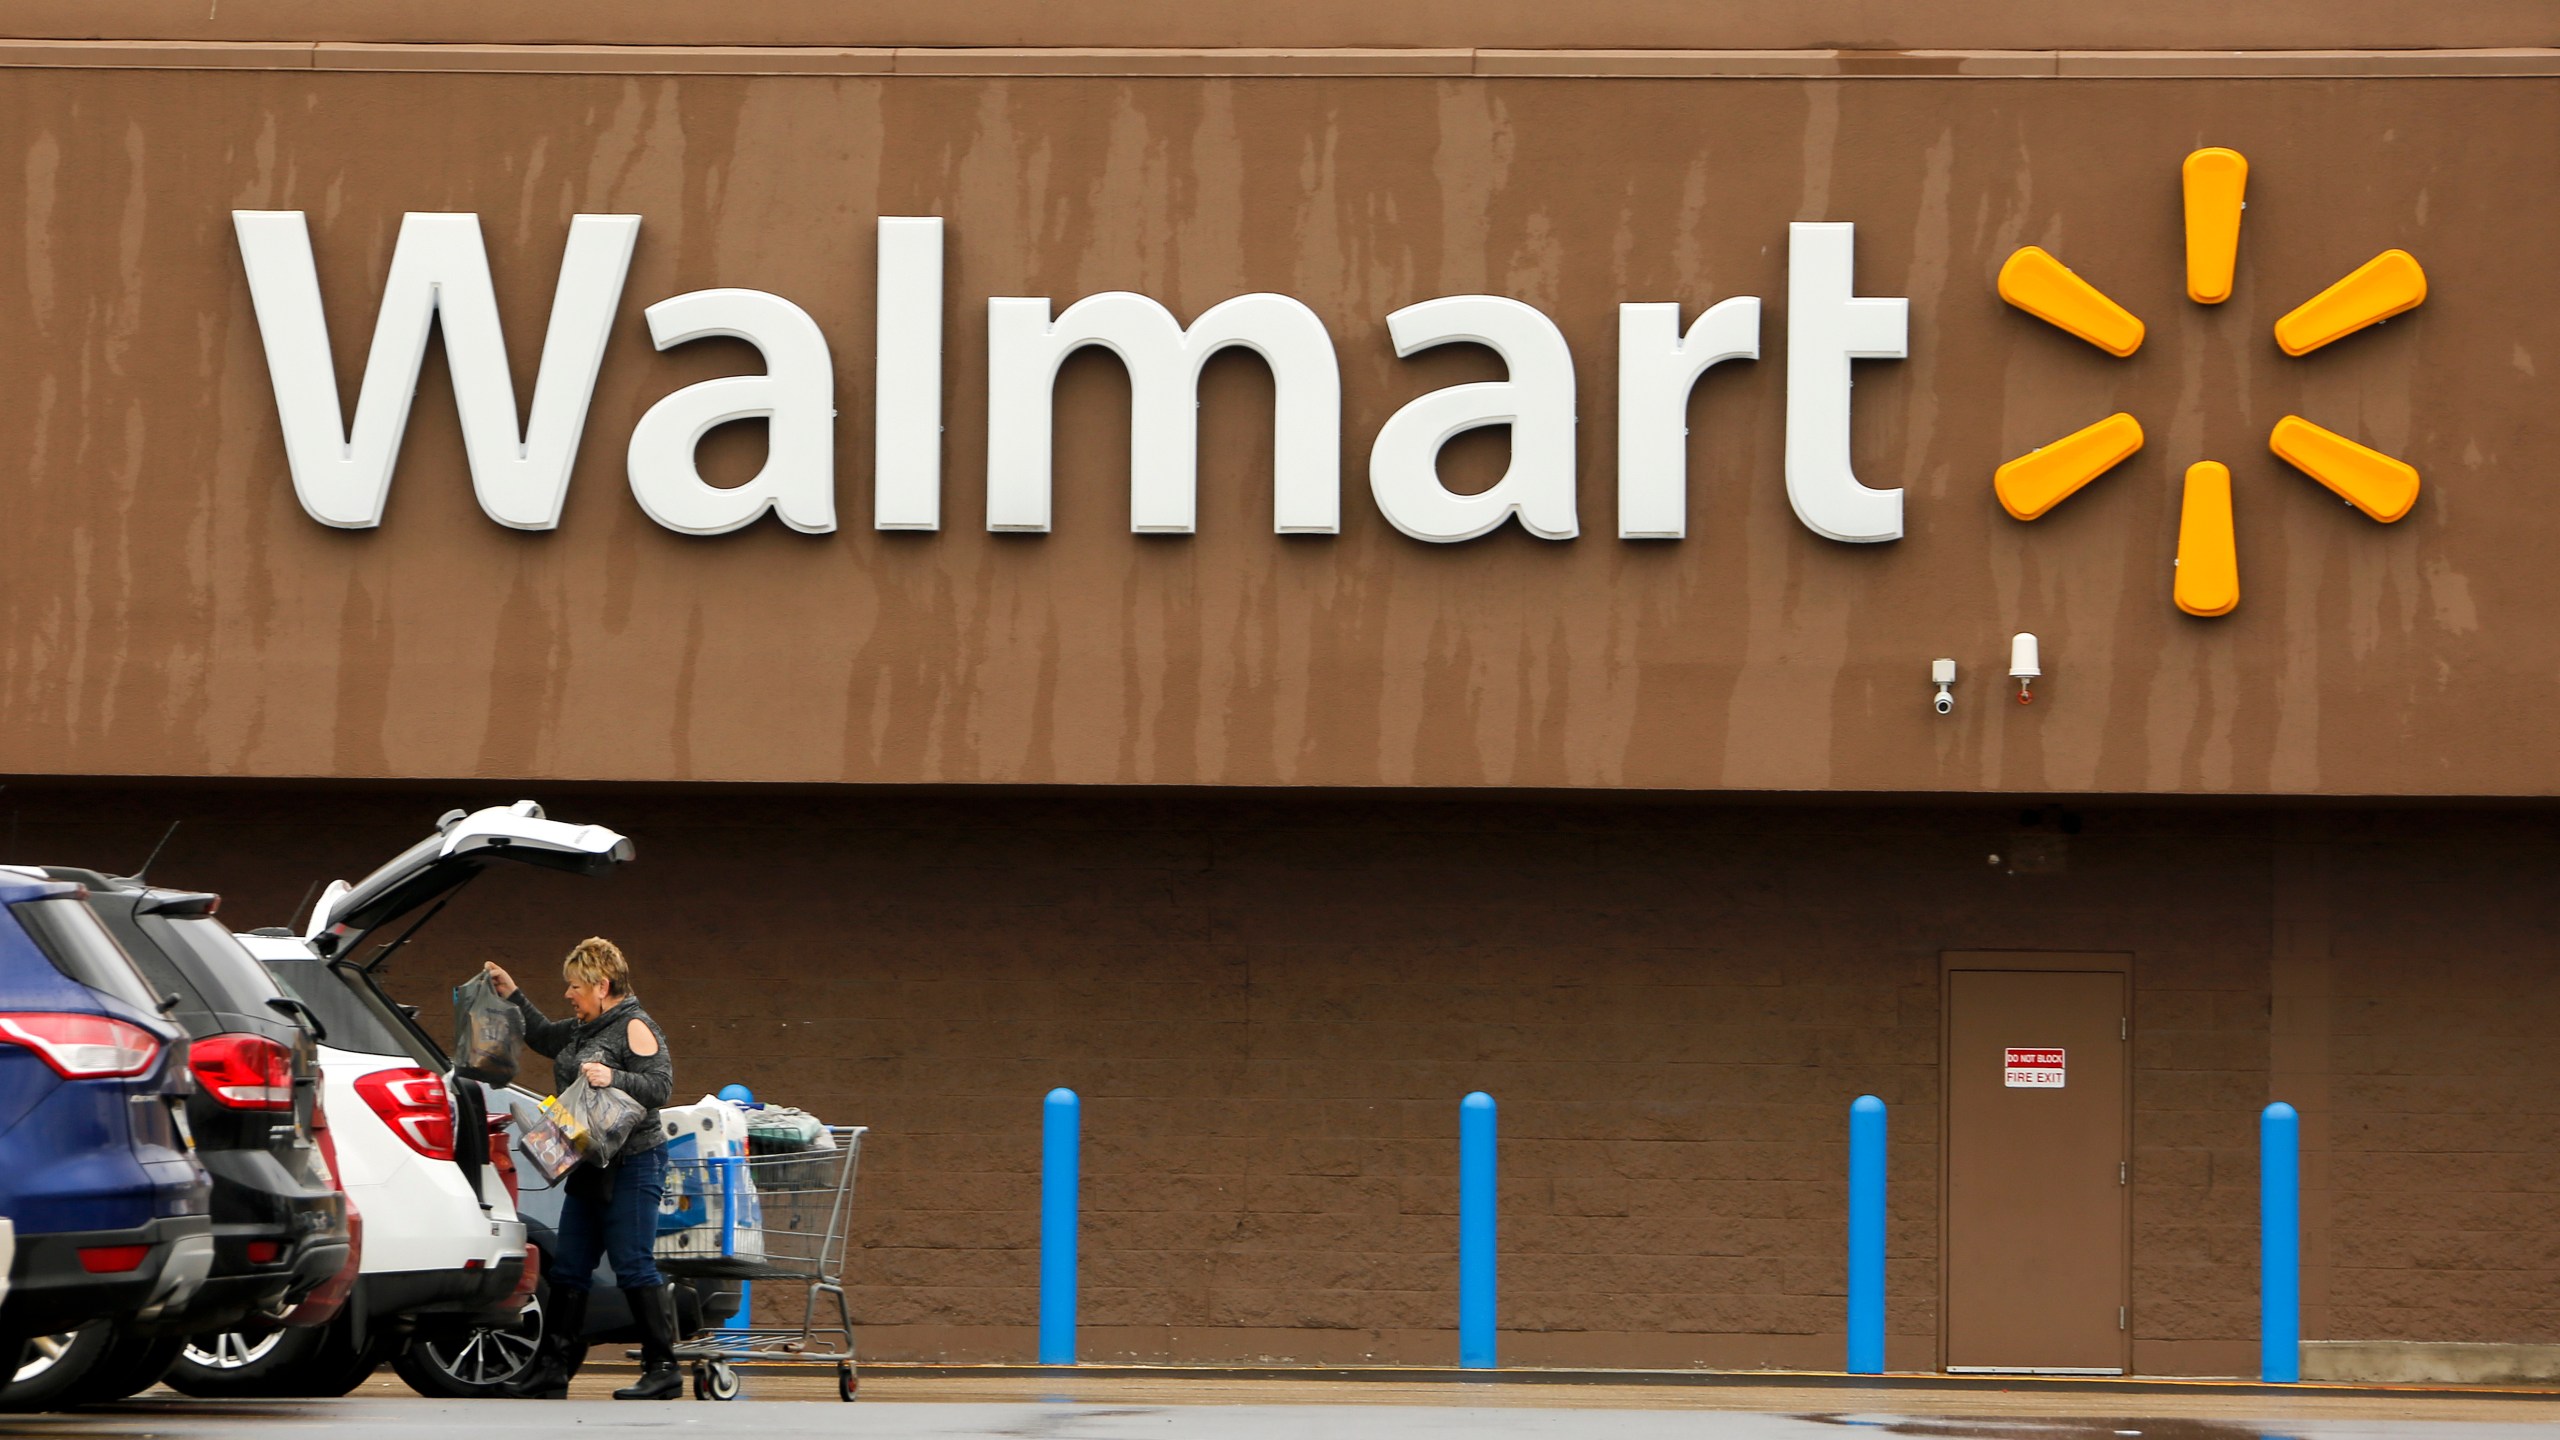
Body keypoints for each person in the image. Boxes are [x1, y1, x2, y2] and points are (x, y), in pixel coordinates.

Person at [482, 937, 682, 1401]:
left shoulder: (633, 1024)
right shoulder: (581, 1028)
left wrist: (615, 1077)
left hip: (634, 1164)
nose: (569, 995)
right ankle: (551, 1370)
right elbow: (541, 1036)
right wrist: (512, 994)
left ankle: (664, 1368)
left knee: (633, 1264)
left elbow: (661, 1086)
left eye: (575, 986)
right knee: (571, 1267)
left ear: (601, 985)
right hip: (589, 1163)